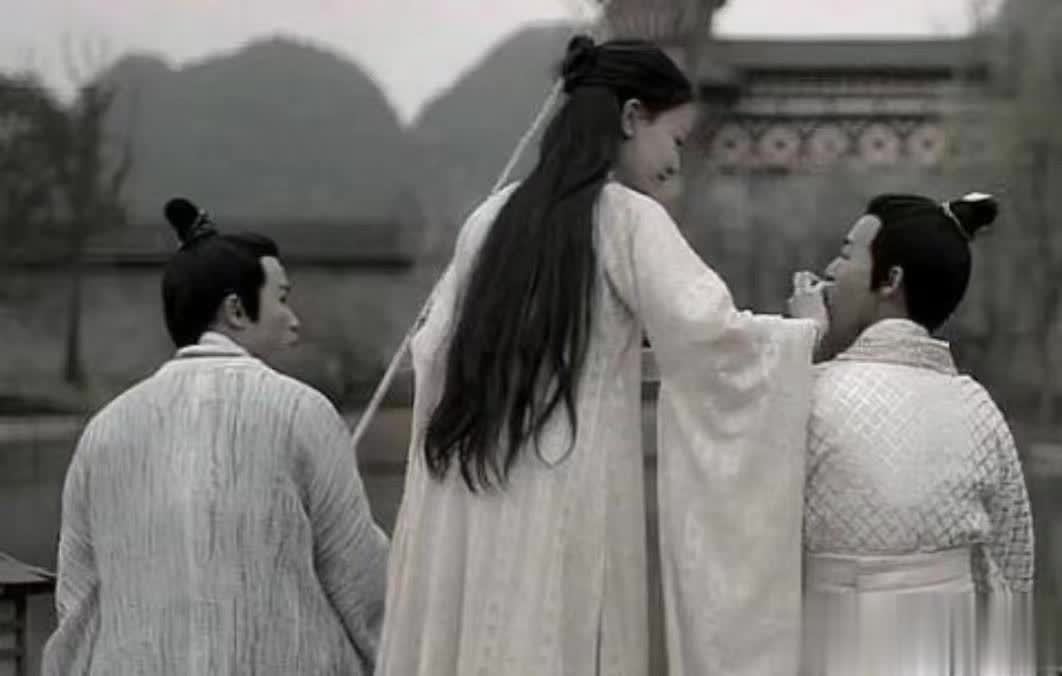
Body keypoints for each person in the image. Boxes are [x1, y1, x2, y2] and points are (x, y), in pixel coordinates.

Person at [376, 35, 829, 676]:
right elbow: (714, 339)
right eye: (675, 139)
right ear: (632, 117)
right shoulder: (625, 218)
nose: (676, 161)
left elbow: (435, 352)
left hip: (475, 498)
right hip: (567, 492)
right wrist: (804, 332)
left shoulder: (490, 220)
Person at [41, 199, 389, 675]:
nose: (294, 318)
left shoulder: (105, 430)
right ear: (236, 310)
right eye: (281, 298)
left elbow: (78, 606)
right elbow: (360, 578)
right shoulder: (301, 411)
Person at [802, 193, 1035, 675]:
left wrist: (798, 344)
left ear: (890, 280)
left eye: (846, 255)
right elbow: (1014, 567)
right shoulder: (977, 407)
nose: (829, 271)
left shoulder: (810, 394)